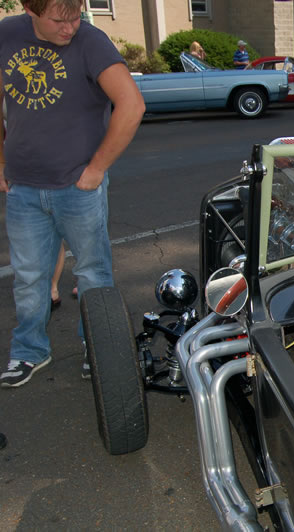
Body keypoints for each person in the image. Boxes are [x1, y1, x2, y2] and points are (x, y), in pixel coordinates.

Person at [0, 0, 145, 388]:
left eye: (75, 16)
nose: (70, 28)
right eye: (58, 20)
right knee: (30, 277)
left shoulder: (91, 42)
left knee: (92, 273)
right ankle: (29, 351)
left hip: (77, 187)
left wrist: (96, 169)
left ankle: (97, 349)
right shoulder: (7, 34)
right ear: (31, 11)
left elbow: (131, 105)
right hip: (24, 185)